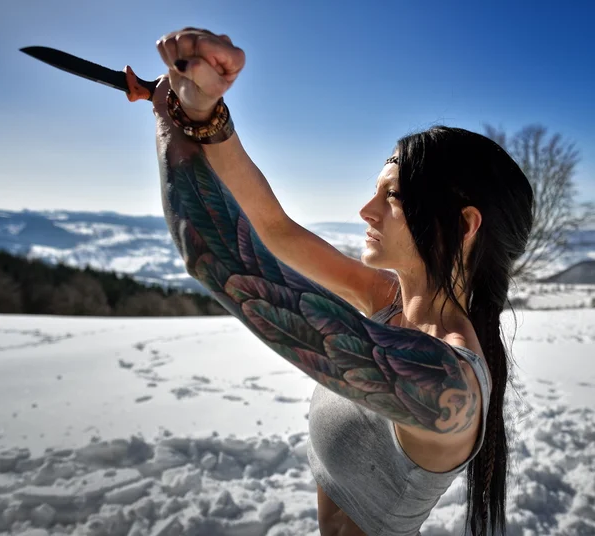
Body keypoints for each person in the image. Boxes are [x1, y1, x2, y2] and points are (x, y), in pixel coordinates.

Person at [152, 28, 534, 536]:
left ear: (463, 227)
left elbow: (220, 262)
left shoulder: (446, 384)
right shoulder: (387, 299)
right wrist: (206, 114)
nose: (366, 210)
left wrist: (170, 118)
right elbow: (274, 228)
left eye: (392, 197)